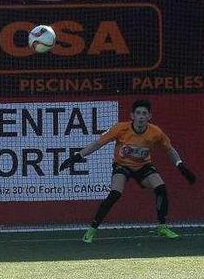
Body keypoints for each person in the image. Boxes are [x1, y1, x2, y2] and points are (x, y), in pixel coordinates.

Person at [60, 99, 196, 243]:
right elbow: (97, 144)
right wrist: (77, 156)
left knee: (161, 188)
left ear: (149, 116)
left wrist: (180, 165)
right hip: (122, 166)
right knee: (114, 194)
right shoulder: (120, 128)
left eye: (144, 113)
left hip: (143, 166)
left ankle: (162, 227)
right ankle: (92, 230)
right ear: (132, 115)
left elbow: (170, 150)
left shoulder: (155, 132)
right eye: (138, 113)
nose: (141, 116)